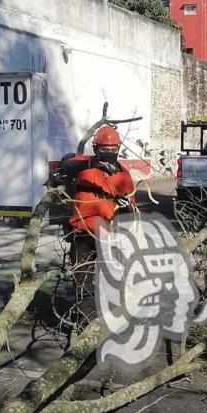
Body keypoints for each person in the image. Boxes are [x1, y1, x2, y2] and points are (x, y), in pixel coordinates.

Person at [59, 126, 136, 303]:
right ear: (95, 149)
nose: (109, 153)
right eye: (104, 150)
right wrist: (93, 164)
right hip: (82, 233)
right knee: (83, 280)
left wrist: (126, 206)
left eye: (113, 150)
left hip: (110, 237)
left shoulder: (123, 175)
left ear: (118, 150)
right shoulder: (83, 165)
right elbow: (65, 164)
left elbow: (131, 211)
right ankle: (85, 325)